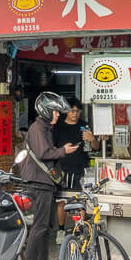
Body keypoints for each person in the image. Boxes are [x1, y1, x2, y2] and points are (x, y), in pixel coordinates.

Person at [20, 91, 79, 260]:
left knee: (46, 225)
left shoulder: (45, 128)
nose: (58, 114)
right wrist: (63, 151)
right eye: (54, 111)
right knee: (39, 225)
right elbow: (44, 153)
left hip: (45, 183)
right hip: (39, 182)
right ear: (45, 111)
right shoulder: (37, 128)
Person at [53, 98, 99, 244]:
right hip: (62, 168)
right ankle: (61, 229)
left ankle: (80, 229)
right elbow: (51, 148)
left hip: (81, 167)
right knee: (61, 200)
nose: (75, 114)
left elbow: (96, 147)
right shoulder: (58, 127)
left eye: (78, 111)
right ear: (66, 111)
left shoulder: (84, 125)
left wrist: (92, 139)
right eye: (72, 111)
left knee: (81, 199)